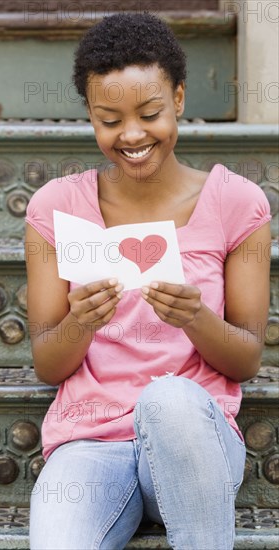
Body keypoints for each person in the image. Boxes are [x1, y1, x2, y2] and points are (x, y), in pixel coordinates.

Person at [24, 12, 271, 550]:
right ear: (90, 116)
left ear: (179, 100)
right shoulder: (56, 207)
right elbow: (48, 363)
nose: (132, 135)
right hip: (92, 441)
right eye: (109, 119)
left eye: (150, 113)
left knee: (169, 400)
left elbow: (247, 359)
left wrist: (196, 317)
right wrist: (81, 323)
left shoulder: (237, 204)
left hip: (193, 439)